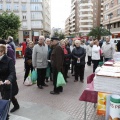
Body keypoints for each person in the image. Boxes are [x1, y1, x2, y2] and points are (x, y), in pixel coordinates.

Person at [0, 44, 19, 113]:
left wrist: (9, 79)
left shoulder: (9, 60)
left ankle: (5, 115)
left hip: (9, 82)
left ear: (2, 52)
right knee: (9, 96)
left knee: (6, 99)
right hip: (1, 82)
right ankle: (16, 105)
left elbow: (12, 72)